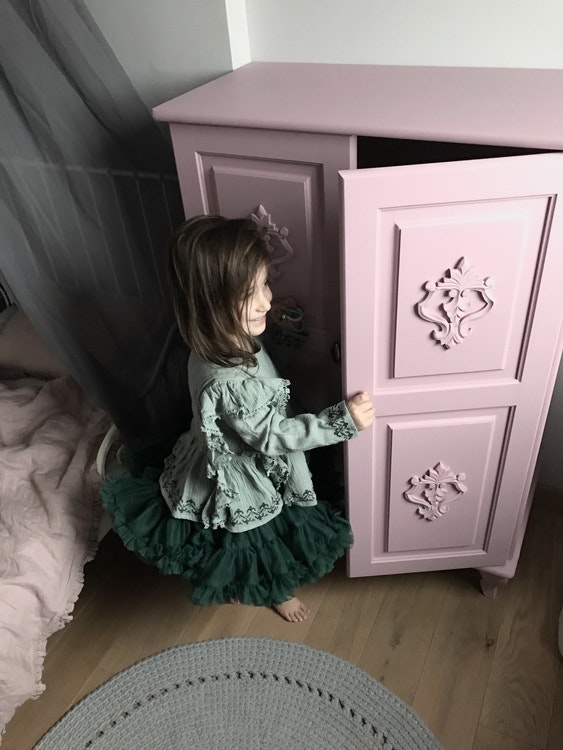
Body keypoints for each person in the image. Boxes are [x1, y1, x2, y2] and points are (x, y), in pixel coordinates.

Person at [102, 215, 375, 622]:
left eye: (265, 283)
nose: (265, 300)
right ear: (211, 305)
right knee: (257, 543)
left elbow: (262, 373)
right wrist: (340, 422)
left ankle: (234, 580)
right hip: (246, 474)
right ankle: (275, 590)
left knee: (226, 537)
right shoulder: (227, 380)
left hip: (217, 454)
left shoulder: (219, 339)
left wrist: (275, 326)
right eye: (251, 293)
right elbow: (273, 436)